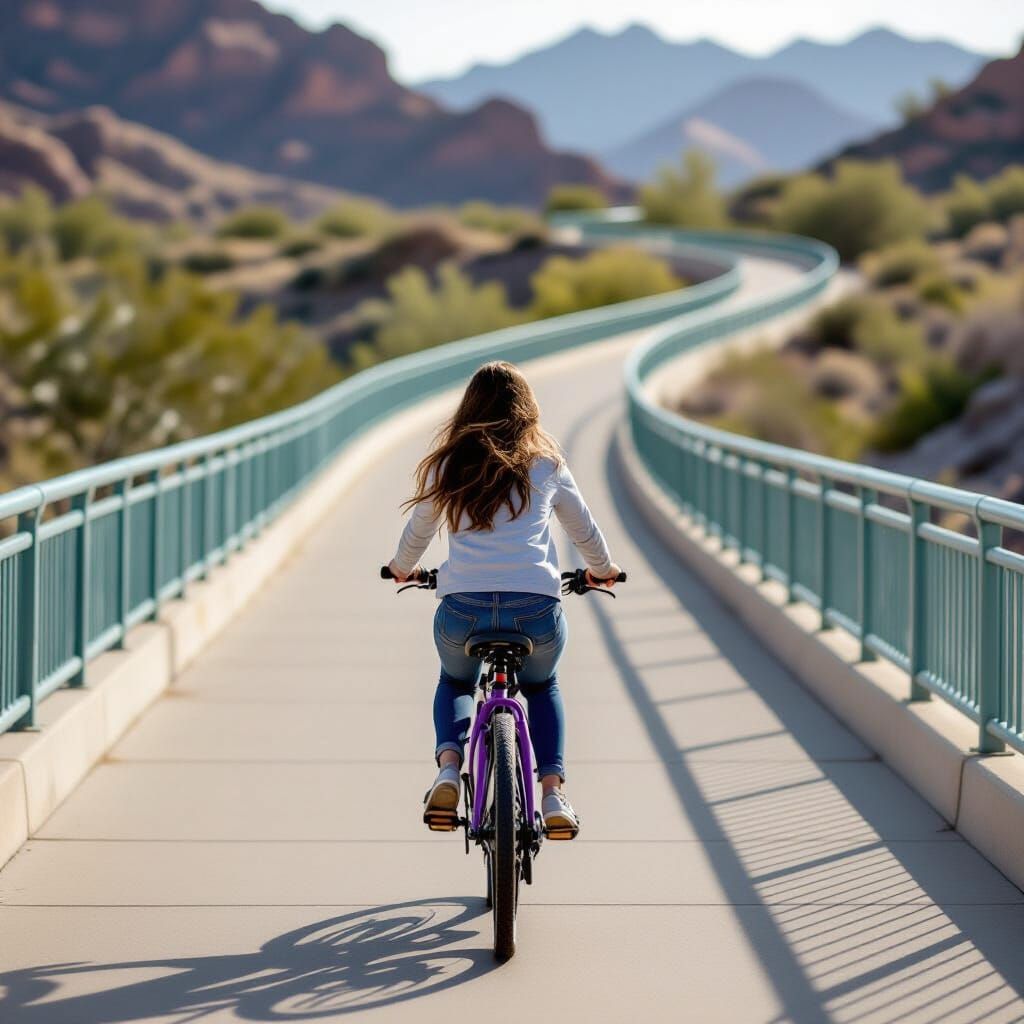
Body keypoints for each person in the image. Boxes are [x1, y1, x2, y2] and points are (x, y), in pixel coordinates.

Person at [387, 360, 621, 838]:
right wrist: (603, 572)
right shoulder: (547, 463)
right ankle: (553, 793)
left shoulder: (451, 464)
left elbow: (418, 532)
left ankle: (449, 769)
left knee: (455, 682)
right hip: (535, 607)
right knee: (542, 686)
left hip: (462, 609)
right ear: (527, 410)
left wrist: (402, 568)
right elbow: (585, 531)